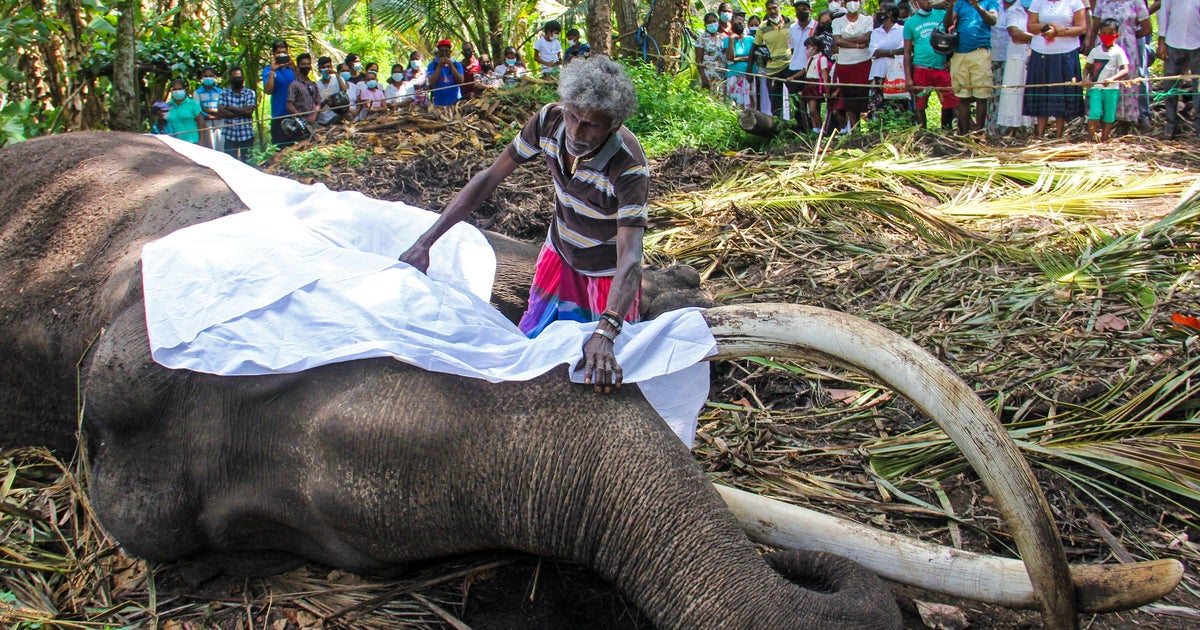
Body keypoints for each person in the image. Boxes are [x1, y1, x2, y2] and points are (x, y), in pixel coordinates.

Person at [399, 56, 647, 392]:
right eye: (573, 116)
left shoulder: (628, 167)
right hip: (558, 257)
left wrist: (606, 329)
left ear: (613, 126)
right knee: (534, 353)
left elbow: (630, 257)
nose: (576, 131)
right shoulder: (548, 120)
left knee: (599, 374)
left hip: (605, 277)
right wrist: (424, 242)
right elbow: (488, 179)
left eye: (591, 125)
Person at [1024, 0, 1087, 137]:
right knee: (1041, 92)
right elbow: (1030, 26)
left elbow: (1082, 27)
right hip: (1040, 52)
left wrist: (1060, 32)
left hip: (1066, 53)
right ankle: (1040, 134)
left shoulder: (1075, 2)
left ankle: (1059, 134)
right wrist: (1049, 27)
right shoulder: (1037, 2)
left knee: (1062, 92)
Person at [1088, 0, 1150, 129]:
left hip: (1127, 48)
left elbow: (1147, 27)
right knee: (1101, 78)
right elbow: (1095, 27)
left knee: (1125, 80)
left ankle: (1125, 119)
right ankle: (1100, 118)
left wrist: (1130, 36)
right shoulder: (1103, 2)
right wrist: (1091, 44)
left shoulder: (1136, 2)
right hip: (1103, 48)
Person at [944, 0, 1001, 133]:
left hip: (980, 52)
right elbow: (947, 24)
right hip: (959, 53)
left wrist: (977, 6)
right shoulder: (960, 3)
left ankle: (979, 133)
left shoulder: (990, 2)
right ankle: (964, 133)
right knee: (963, 96)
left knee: (981, 95)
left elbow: (992, 20)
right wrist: (951, 6)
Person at [904, 0, 958, 130]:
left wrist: (952, 60)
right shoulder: (910, 23)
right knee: (920, 105)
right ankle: (922, 136)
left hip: (941, 68)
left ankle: (947, 132)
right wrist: (908, 77)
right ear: (916, 2)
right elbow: (907, 52)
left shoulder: (941, 14)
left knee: (950, 103)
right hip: (921, 69)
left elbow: (952, 29)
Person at [1155, 0, 1199, 138]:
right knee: (1170, 85)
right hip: (1173, 41)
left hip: (1197, 43)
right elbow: (1164, 13)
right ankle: (1170, 125)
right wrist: (1161, 40)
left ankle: (1198, 126)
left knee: (1198, 86)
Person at [831, 1, 875, 132]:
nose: (853, 3)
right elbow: (837, 40)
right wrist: (856, 44)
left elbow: (866, 38)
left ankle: (869, 128)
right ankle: (855, 129)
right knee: (849, 97)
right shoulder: (837, 22)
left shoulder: (867, 19)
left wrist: (845, 41)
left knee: (864, 95)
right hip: (844, 64)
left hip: (863, 62)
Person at [1085, 18, 1131, 141]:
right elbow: (1087, 67)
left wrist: (1113, 78)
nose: (1107, 36)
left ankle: (1104, 139)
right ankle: (1090, 139)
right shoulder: (1095, 51)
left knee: (1109, 115)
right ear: (1099, 35)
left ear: (1117, 35)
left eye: (1111, 33)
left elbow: (1125, 69)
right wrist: (1086, 79)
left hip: (1112, 89)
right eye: (1104, 33)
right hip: (1096, 88)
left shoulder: (1118, 52)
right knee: (1094, 113)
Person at [998, 0, 1035, 134]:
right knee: (1014, 91)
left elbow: (1047, 30)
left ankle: (1033, 128)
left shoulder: (1040, 7)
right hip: (1016, 56)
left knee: (1032, 90)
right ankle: (1013, 128)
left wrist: (1028, 37)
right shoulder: (1014, 10)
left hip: (1036, 56)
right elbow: (1015, 34)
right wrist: (1037, 37)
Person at [869, 3, 910, 114]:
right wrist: (893, 52)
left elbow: (903, 49)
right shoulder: (876, 32)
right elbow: (873, 51)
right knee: (878, 103)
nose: (879, 13)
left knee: (898, 103)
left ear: (890, 13)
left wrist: (883, 52)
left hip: (897, 73)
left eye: (881, 10)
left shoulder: (902, 30)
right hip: (878, 72)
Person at [759, 1, 794, 117]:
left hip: (790, 66)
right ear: (766, 11)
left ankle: (801, 128)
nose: (772, 11)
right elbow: (756, 46)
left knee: (796, 98)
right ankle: (779, 129)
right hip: (772, 69)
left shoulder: (792, 23)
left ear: (779, 8)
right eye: (769, 9)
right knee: (775, 101)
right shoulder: (762, 27)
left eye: (775, 8)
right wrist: (764, 57)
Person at [787, 1, 819, 124]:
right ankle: (801, 128)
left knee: (812, 102)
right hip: (794, 67)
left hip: (811, 69)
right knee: (798, 103)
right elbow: (792, 48)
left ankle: (815, 127)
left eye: (804, 9)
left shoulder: (816, 26)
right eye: (798, 9)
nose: (801, 12)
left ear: (810, 10)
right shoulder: (792, 28)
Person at [216, 67, 257, 161]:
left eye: (239, 77)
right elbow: (221, 112)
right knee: (230, 163)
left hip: (246, 134)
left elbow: (248, 112)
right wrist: (241, 111)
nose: (237, 80)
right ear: (230, 79)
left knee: (248, 162)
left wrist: (229, 108)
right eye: (234, 78)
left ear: (243, 78)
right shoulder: (224, 93)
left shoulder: (250, 93)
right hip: (230, 134)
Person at [262, 40, 296, 146]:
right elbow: (268, 91)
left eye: (284, 52)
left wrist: (294, 68)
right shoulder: (268, 70)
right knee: (280, 149)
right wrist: (273, 70)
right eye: (279, 53)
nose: (282, 55)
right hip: (278, 116)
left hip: (295, 114)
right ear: (274, 54)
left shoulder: (292, 69)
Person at [985, 0, 1010, 135]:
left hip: (1013, 56)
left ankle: (1010, 127)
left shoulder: (1020, 6)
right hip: (991, 55)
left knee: (1009, 94)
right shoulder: (992, 4)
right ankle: (991, 128)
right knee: (991, 94)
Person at [801, 35, 834, 133]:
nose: (807, 49)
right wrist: (792, 77)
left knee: (813, 109)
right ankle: (815, 129)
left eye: (808, 47)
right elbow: (804, 70)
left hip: (815, 85)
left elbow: (824, 74)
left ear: (815, 47)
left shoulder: (822, 59)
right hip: (808, 83)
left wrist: (826, 87)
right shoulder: (810, 59)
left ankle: (821, 129)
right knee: (810, 110)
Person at [725, 15, 757, 109]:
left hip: (749, 74)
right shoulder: (728, 40)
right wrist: (731, 39)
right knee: (734, 104)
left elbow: (752, 57)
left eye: (740, 23)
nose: (738, 25)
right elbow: (730, 58)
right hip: (734, 75)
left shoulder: (751, 39)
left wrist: (738, 59)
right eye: (735, 24)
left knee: (749, 104)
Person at [165, 78, 206, 146]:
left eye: (180, 89)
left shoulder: (193, 104)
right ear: (171, 91)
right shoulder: (168, 106)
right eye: (175, 89)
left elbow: (201, 123)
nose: (177, 91)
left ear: (185, 90)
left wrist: (201, 141)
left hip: (192, 141)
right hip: (173, 143)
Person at [697, 13, 729, 100]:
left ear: (718, 22)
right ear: (705, 24)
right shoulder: (701, 39)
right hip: (707, 76)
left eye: (714, 21)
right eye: (709, 22)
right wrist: (703, 77)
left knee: (720, 101)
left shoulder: (723, 38)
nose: (712, 24)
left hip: (721, 76)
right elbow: (698, 60)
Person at [286, 52, 321, 129]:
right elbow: (289, 105)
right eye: (303, 64)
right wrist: (301, 118)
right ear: (298, 66)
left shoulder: (313, 84)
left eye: (308, 64)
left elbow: (318, 102)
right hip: (301, 125)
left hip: (314, 122)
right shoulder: (294, 85)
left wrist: (313, 116)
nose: (306, 66)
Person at [427, 39, 465, 106]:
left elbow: (461, 81)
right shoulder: (432, 65)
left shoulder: (457, 64)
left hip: (456, 103)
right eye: (441, 51)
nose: (444, 53)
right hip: (438, 104)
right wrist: (439, 67)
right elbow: (431, 83)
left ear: (450, 52)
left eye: (446, 51)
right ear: (438, 52)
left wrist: (451, 66)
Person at [194, 67, 223, 151]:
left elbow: (223, 108)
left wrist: (209, 110)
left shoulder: (220, 91)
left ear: (214, 77)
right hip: (206, 124)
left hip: (220, 123)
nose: (208, 78)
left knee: (221, 147)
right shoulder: (197, 93)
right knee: (209, 148)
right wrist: (210, 115)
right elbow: (198, 111)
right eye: (206, 76)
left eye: (211, 76)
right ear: (202, 77)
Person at [316, 56, 349, 124]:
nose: (326, 69)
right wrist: (325, 102)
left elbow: (344, 91)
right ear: (319, 69)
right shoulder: (316, 85)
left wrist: (336, 74)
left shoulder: (337, 80)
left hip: (336, 117)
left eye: (328, 66)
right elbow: (317, 104)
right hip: (322, 119)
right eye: (323, 67)